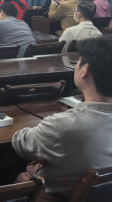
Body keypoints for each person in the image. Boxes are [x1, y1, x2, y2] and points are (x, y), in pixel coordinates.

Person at [12, 37, 112, 202]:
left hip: (56, 196)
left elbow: (20, 144)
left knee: (22, 176)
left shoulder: (62, 125)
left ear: (85, 70)